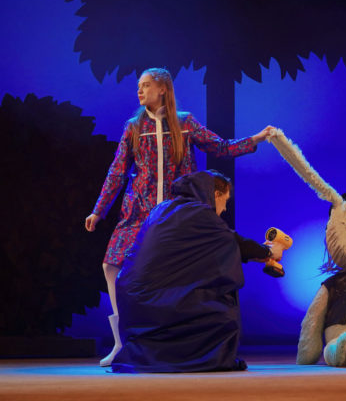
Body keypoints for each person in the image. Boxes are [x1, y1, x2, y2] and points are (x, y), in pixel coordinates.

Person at [84, 67, 275, 366]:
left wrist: (256, 139)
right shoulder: (134, 127)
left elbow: (220, 147)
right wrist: (99, 209)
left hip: (176, 212)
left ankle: (179, 339)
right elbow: (117, 171)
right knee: (112, 264)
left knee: (176, 273)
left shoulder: (185, 123)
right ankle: (122, 341)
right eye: (139, 85)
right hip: (139, 211)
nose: (140, 90)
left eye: (146, 85)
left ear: (163, 89)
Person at [110, 170, 284, 373]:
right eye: (225, 201)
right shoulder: (201, 215)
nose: (224, 208)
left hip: (134, 303)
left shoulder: (161, 209)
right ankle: (205, 357)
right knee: (218, 295)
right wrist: (268, 251)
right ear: (216, 194)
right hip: (160, 304)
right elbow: (234, 241)